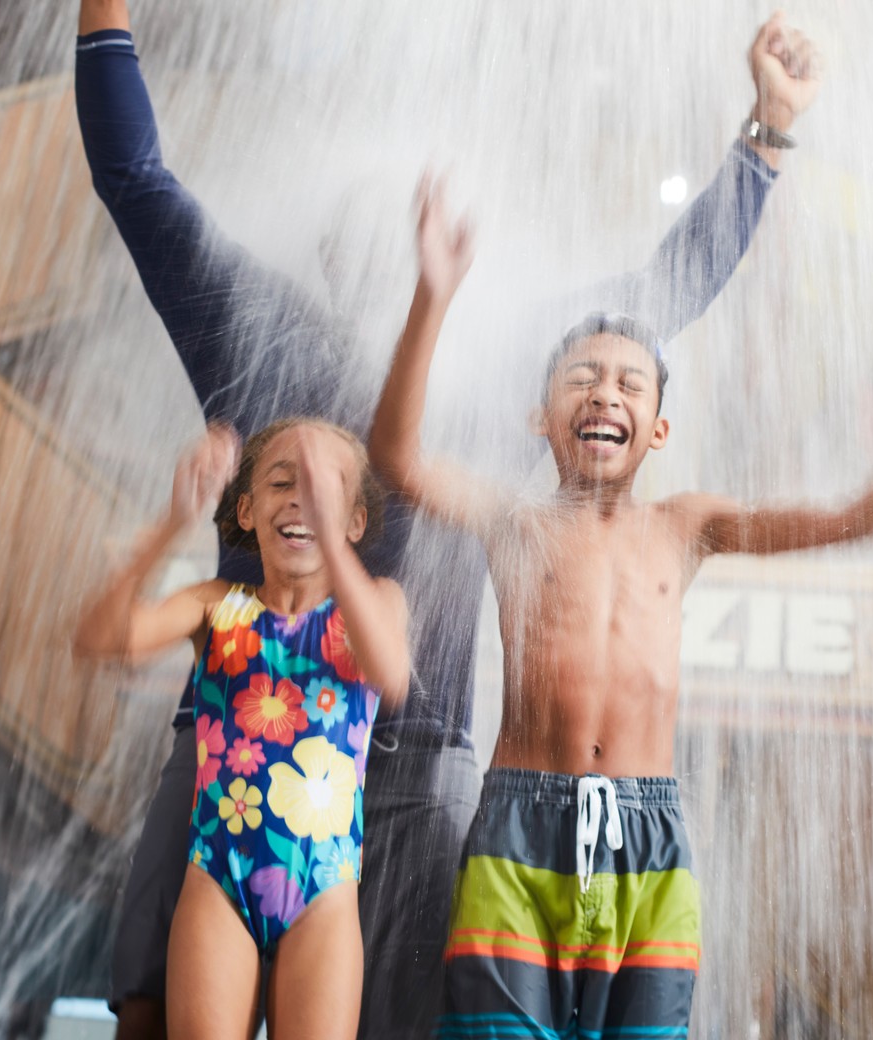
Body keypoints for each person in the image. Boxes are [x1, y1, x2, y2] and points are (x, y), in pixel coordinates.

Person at [73, 2, 818, 1035]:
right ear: (329, 255)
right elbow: (136, 183)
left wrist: (766, 135)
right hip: (242, 738)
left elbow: (663, 290)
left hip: (412, 764)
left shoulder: (485, 380)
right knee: (158, 1012)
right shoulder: (257, 328)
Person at [368, 181, 873, 1037]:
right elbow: (397, 459)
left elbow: (857, 516)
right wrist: (431, 299)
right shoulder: (515, 523)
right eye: (582, 379)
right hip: (518, 825)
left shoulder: (686, 526)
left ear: (657, 429)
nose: (605, 393)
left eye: (629, 383)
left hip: (648, 838)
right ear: (540, 418)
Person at [75, 420, 410, 1040]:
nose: (300, 498)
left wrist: (334, 550)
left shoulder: (377, 602)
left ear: (355, 521)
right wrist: (175, 521)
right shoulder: (215, 604)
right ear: (248, 510)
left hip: (325, 891)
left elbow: (390, 674)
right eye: (282, 483)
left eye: (322, 491)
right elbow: (100, 640)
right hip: (218, 878)